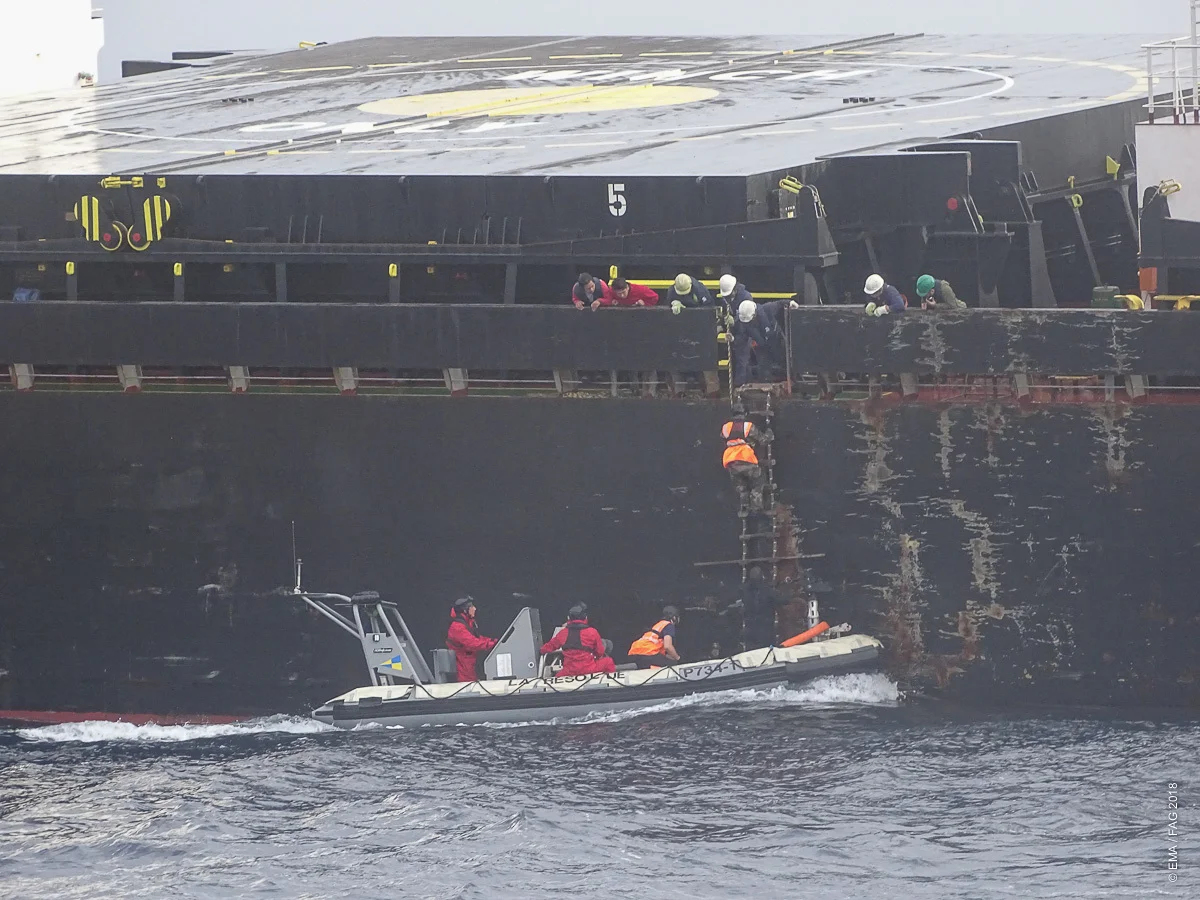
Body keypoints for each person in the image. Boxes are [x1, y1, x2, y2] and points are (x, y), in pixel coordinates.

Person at [729, 297, 799, 387]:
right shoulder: (743, 322)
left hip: (777, 341)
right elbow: (742, 338)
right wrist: (733, 339)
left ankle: (797, 384)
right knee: (763, 370)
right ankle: (766, 390)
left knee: (789, 363)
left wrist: (790, 302)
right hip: (761, 347)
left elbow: (779, 304)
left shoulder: (767, 309)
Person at [539, 603, 617, 676]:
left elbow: (548, 647)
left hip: (569, 671)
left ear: (568, 618)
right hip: (589, 669)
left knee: (555, 678)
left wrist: (540, 650)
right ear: (585, 617)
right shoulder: (592, 632)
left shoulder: (562, 633)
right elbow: (600, 652)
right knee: (608, 661)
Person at [722, 403, 771, 515]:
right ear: (745, 413)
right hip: (746, 457)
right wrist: (769, 434)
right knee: (758, 481)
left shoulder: (726, 427)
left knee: (741, 486)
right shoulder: (748, 426)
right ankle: (757, 508)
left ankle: (744, 506)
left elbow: (723, 438)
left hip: (731, 461)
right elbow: (763, 440)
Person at [445, 597, 498, 682]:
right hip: (463, 671)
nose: (475, 608)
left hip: (469, 667)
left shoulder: (467, 623)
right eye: (471, 607)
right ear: (465, 610)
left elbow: (477, 638)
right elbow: (473, 643)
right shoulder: (457, 627)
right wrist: (491, 644)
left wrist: (493, 641)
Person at [741, 566, 785, 649]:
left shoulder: (744, 590)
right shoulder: (767, 590)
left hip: (751, 628)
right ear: (762, 576)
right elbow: (782, 600)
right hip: (765, 628)